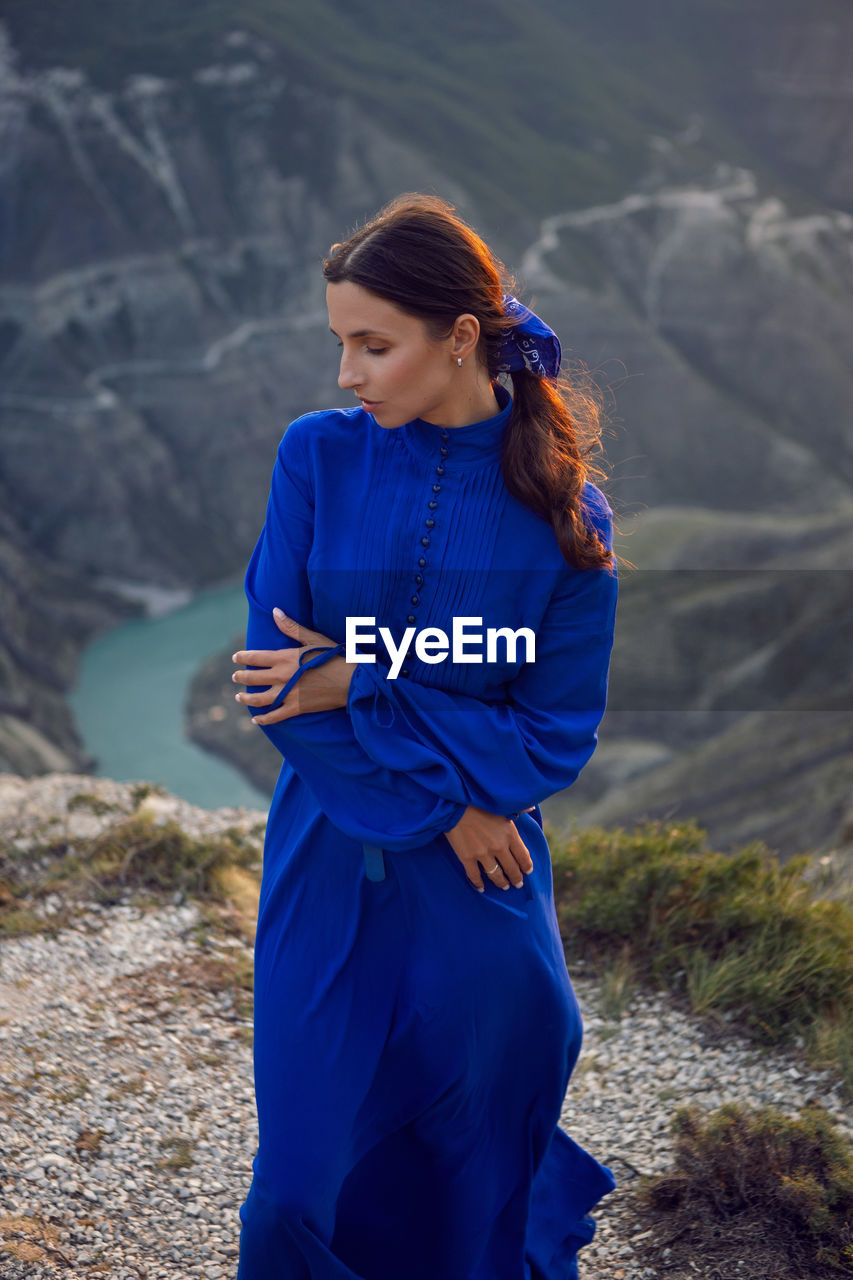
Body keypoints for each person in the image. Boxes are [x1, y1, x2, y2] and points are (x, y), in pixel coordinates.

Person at [231, 193, 619, 1279]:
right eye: (339, 344)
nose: (348, 373)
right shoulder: (316, 458)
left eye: (373, 344)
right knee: (291, 1196)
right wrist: (447, 801)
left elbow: (548, 741)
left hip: (484, 886)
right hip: (337, 858)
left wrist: (361, 674)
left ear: (458, 339)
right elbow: (276, 687)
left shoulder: (564, 520)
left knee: (481, 1139)